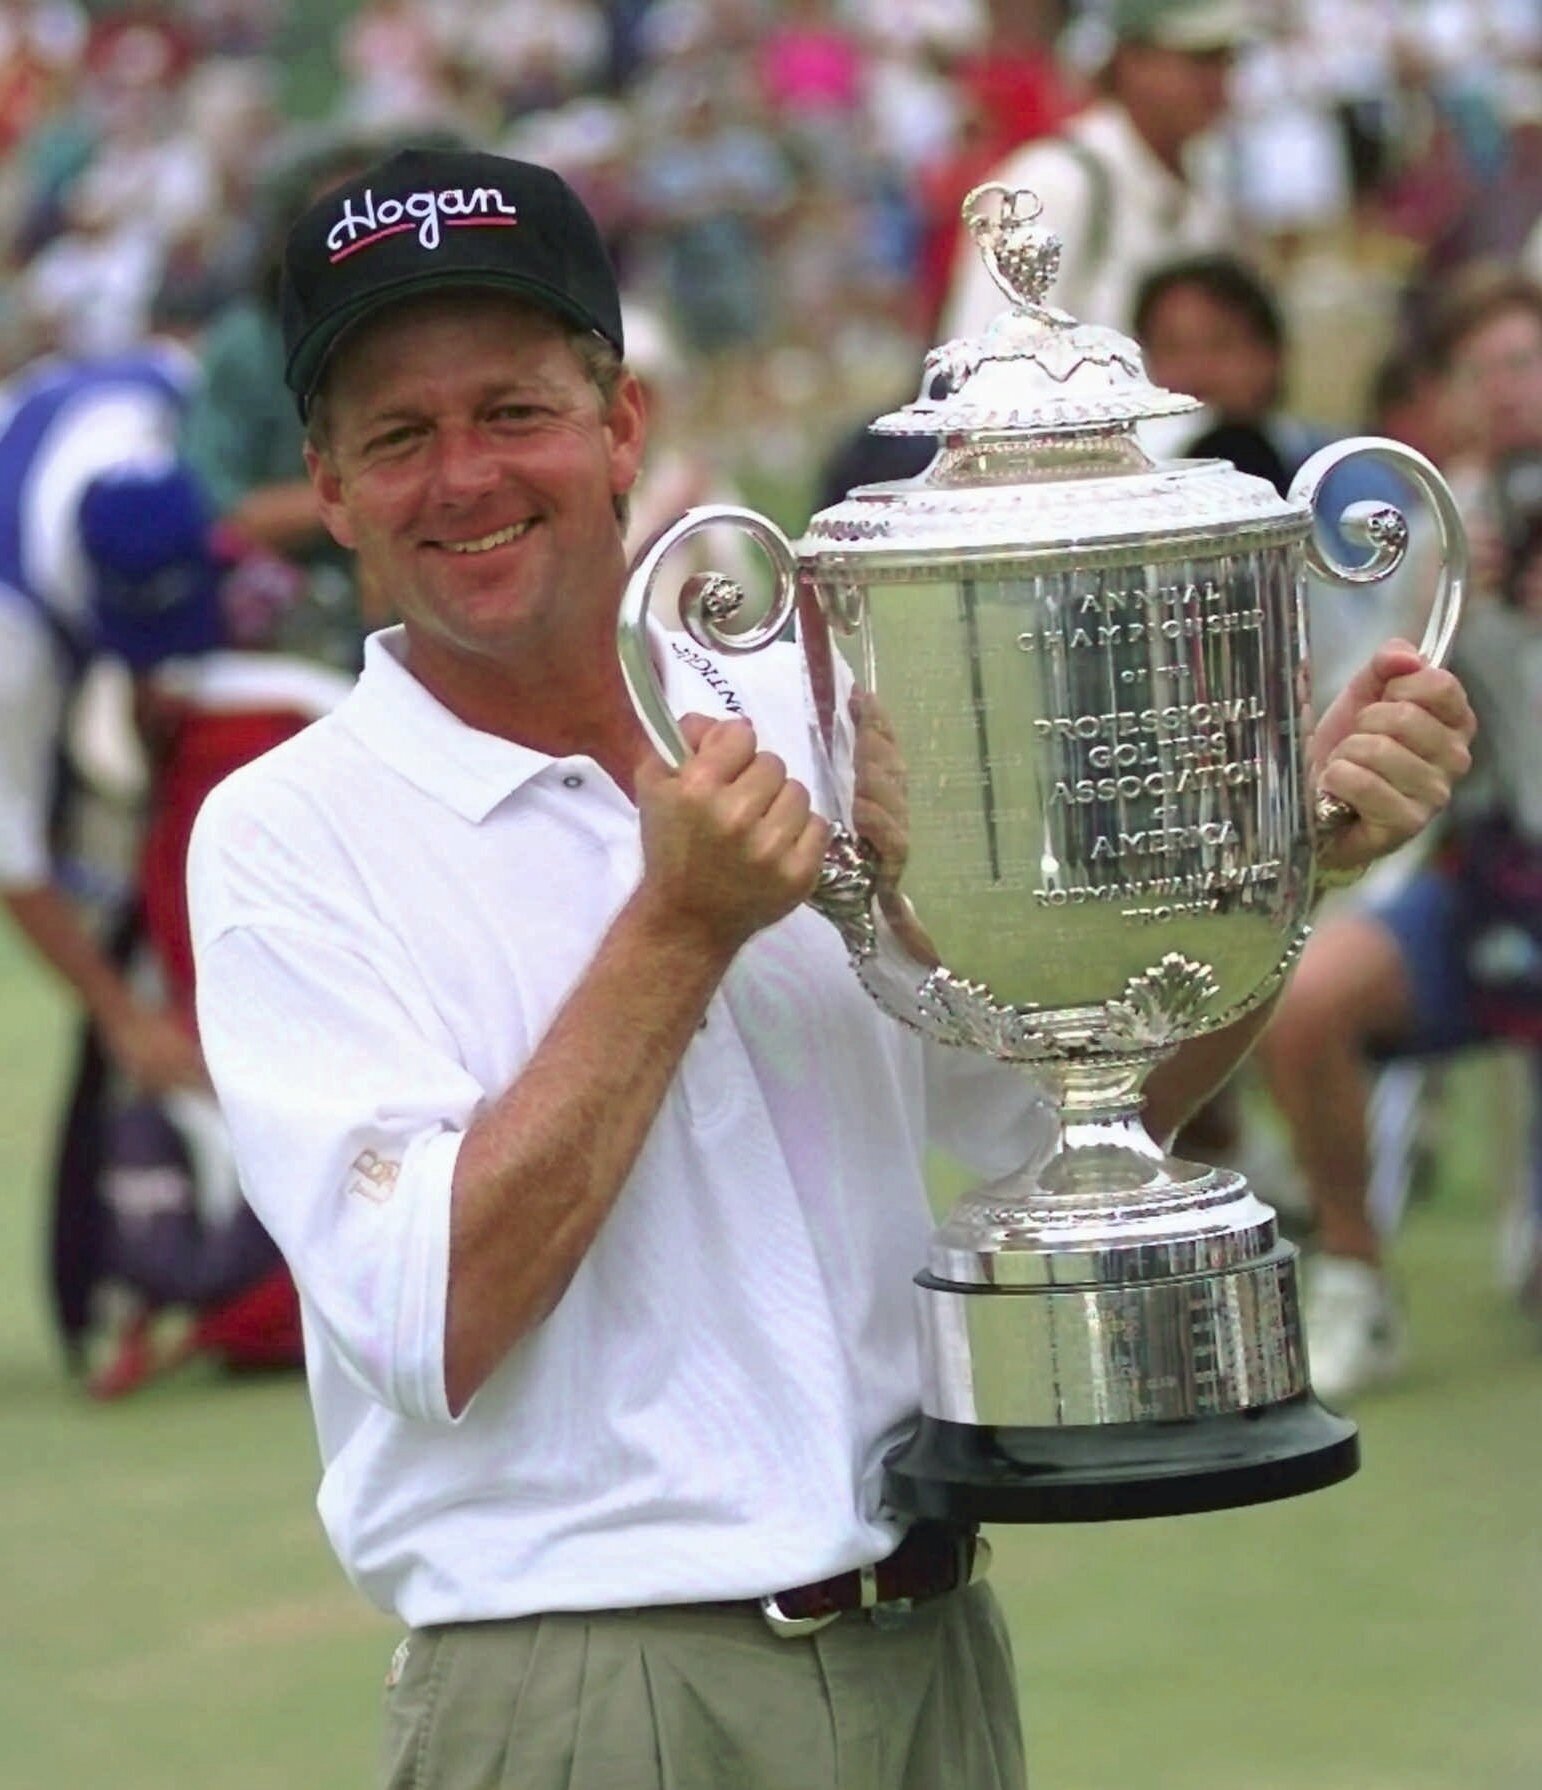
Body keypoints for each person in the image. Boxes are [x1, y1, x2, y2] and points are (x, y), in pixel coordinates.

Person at [186, 147, 1474, 1790]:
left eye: (512, 410)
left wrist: (1283, 881)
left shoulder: (811, 703)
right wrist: (678, 926)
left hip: (926, 1645)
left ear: (620, 429)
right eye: (397, 434)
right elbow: (432, 1319)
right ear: (332, 484)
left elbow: (1058, 1112)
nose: (462, 476)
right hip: (590, 1688)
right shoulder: (287, 829)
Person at [1257, 270, 1542, 1402]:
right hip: (1499, 877)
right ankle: (1357, 1280)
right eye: (1484, 373)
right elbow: (1368, 696)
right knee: (1308, 995)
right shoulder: (1445, 535)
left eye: (1526, 363)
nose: (1509, 392)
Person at [940, 0, 1249, 340]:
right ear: (1133, 61)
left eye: (1226, 60)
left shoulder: (1208, 189)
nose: (1217, 82)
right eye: (1199, 61)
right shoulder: (1053, 183)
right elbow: (986, 361)